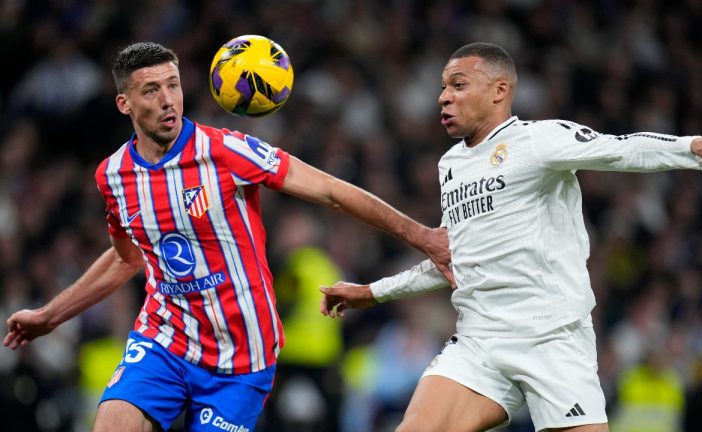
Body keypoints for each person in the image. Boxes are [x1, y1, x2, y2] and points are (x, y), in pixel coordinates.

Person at [3, 42, 453, 432]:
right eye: (151, 90)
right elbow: (127, 258)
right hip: (165, 338)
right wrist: (50, 315)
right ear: (124, 104)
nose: (167, 100)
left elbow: (332, 192)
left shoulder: (225, 152)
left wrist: (422, 236)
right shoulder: (113, 175)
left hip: (242, 355)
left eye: (173, 85)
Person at [319, 42, 702, 432]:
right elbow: (454, 258)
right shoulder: (451, 165)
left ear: (500, 90)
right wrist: (370, 292)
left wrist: (690, 147)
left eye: (457, 85)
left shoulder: (538, 140)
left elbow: (619, 147)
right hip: (480, 341)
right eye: (442, 87)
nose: (443, 97)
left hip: (552, 338)